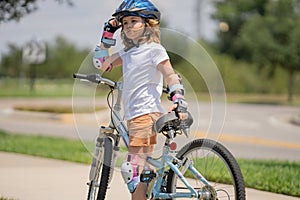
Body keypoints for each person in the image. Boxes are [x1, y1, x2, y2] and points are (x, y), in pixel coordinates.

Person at [93, 0, 188, 199]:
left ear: (148, 24)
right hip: (139, 115)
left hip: (143, 114)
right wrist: (107, 33)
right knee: (142, 170)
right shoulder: (128, 53)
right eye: (124, 23)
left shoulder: (154, 49)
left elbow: (170, 74)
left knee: (132, 170)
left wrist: (178, 96)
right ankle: (151, 187)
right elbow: (101, 64)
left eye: (133, 21)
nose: (127, 26)